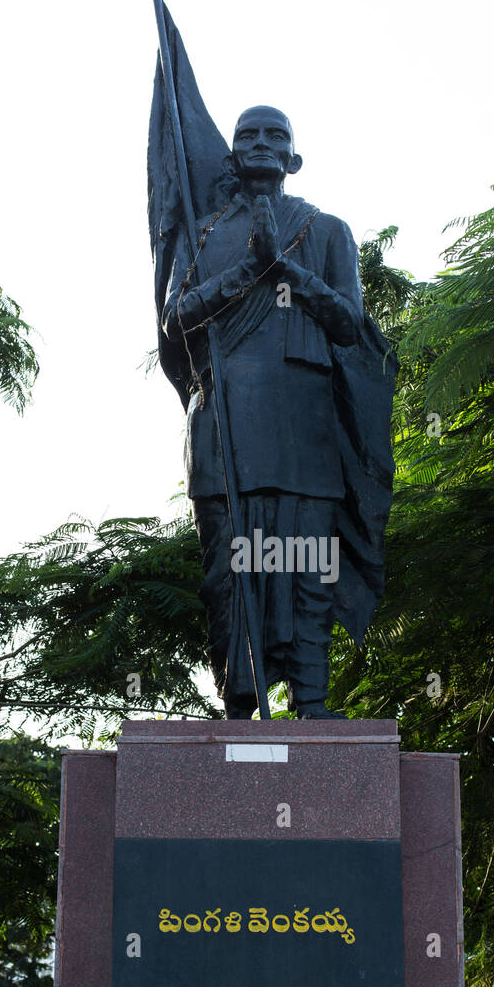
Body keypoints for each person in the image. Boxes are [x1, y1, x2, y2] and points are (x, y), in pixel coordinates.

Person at [161, 105, 391, 718]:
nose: (261, 143)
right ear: (232, 155)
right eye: (248, 135)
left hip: (304, 422)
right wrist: (245, 272)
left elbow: (350, 325)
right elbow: (175, 320)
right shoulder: (201, 233)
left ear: (294, 158)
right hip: (225, 420)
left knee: (309, 561)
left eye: (276, 136)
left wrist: (285, 269)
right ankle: (241, 703)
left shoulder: (327, 230)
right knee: (229, 574)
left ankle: (311, 702)